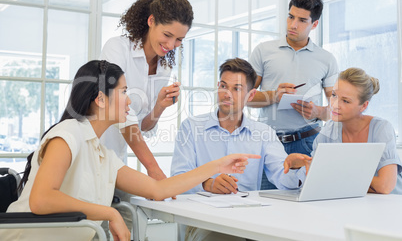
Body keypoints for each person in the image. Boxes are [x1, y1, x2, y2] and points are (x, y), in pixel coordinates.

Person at [1, 60, 259, 241]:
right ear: (101, 100)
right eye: (124, 91)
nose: (129, 100)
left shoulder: (102, 154)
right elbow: (42, 199)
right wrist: (110, 213)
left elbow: (159, 189)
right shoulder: (69, 133)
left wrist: (218, 165)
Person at [171, 58, 311, 241]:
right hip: (204, 220)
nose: (227, 94)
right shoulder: (191, 127)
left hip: (250, 219)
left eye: (236, 89)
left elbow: (284, 180)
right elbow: (178, 177)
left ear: (250, 95)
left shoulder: (263, 133)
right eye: (223, 86)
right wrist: (207, 184)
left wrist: (292, 167)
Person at [99, 0, 193, 233]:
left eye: (179, 39)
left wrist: (159, 107)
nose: (171, 45)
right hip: (93, 154)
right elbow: (125, 119)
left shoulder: (165, 65)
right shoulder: (117, 49)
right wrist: (153, 169)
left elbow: (144, 126)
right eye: (167, 35)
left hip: (115, 161)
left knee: (129, 228)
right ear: (151, 21)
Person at [248, 0, 339, 189]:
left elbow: (337, 109)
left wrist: (318, 112)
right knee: (264, 204)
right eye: (290, 17)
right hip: (268, 142)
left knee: (306, 206)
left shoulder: (326, 59)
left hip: (307, 141)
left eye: (302, 20)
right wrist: (273, 95)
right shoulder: (263, 51)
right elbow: (245, 98)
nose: (293, 25)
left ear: (314, 25)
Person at [313, 67, 402, 194]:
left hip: (389, 204)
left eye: (345, 101)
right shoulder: (329, 129)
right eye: (333, 95)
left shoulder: (381, 128)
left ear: (364, 106)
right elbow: (315, 177)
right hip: (352, 201)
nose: (334, 105)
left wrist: (338, 177)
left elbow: (384, 186)